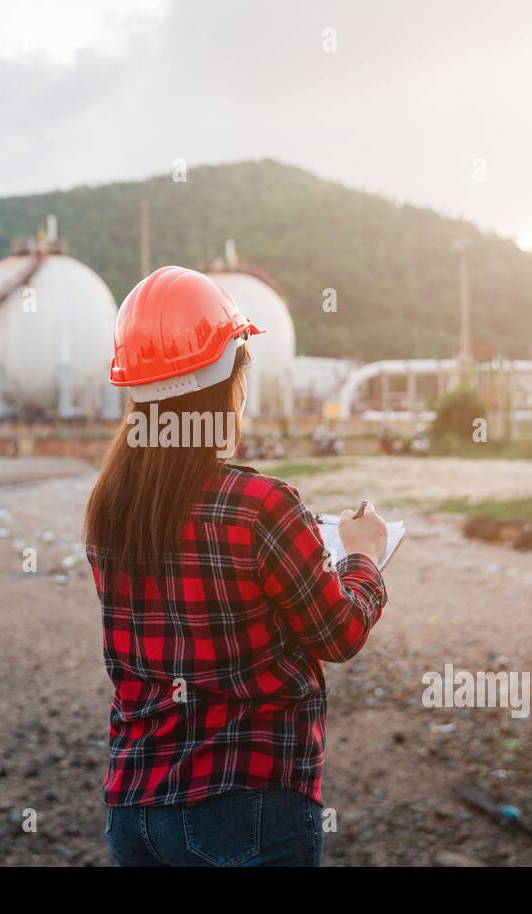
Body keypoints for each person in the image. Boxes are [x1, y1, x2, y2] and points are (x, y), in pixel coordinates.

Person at [84, 266, 391, 867]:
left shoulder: (110, 509)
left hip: (136, 812)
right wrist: (363, 556)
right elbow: (339, 633)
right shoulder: (260, 507)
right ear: (230, 382)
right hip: (246, 809)